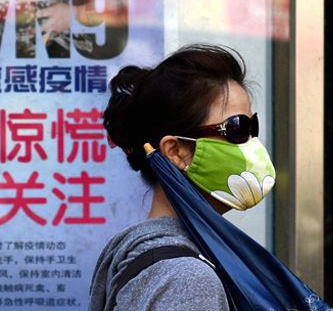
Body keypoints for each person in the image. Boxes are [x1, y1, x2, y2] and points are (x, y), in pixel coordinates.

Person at [89, 44, 263, 311]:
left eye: (253, 128)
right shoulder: (186, 278)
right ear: (176, 151)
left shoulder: (142, 257)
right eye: (237, 129)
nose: (251, 145)